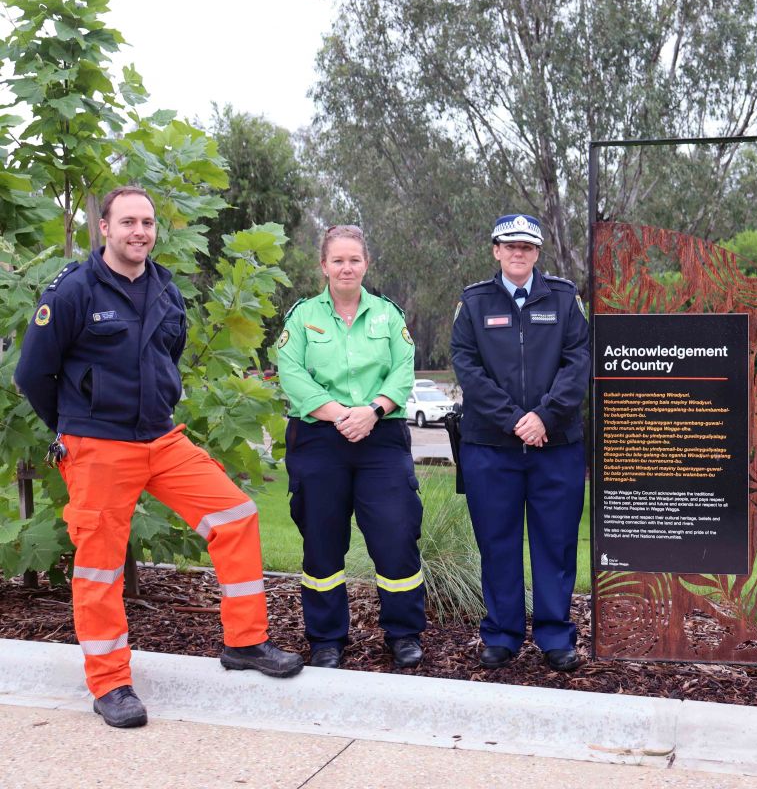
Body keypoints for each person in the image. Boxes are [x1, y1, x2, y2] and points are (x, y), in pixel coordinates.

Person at [14, 185, 303, 729]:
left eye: (146, 222)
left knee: (236, 514)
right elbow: (32, 374)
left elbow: (167, 356)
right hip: (97, 445)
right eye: (127, 222)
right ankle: (110, 683)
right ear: (105, 228)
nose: (139, 231)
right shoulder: (74, 290)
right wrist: (72, 429)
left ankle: (245, 642)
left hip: (161, 440)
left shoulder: (166, 290)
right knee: (100, 566)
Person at [275, 225, 425, 671]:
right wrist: (341, 413)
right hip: (320, 438)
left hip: (380, 437)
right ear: (323, 266)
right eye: (337, 260)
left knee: (396, 536)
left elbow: (403, 371)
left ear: (366, 264)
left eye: (354, 259)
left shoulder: (388, 316)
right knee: (322, 541)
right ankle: (326, 638)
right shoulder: (302, 318)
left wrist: (372, 411)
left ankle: (403, 633)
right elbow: (292, 374)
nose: (346, 267)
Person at [450, 213, 589, 671]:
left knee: (556, 544)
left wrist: (544, 416)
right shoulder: (473, 303)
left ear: (537, 253)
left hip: (556, 444)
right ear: (495, 250)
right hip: (491, 447)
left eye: (526, 247)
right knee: (498, 542)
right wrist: (515, 420)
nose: (517, 253)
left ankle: (554, 635)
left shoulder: (565, 300)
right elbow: (467, 369)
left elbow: (578, 363)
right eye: (509, 245)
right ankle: (503, 634)